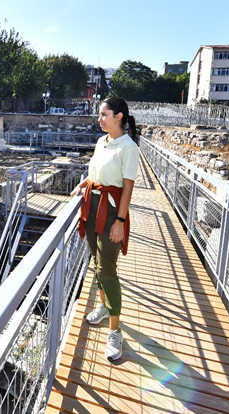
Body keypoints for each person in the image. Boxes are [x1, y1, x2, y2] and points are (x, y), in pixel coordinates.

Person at [70, 96, 139, 361]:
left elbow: (128, 188)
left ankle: (115, 331)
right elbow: (96, 172)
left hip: (111, 211)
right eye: (99, 115)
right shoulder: (102, 141)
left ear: (118, 116)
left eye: (103, 114)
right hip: (91, 206)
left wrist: (120, 222)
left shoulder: (128, 148)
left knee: (107, 270)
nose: (99, 119)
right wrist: (83, 184)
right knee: (97, 262)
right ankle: (102, 305)